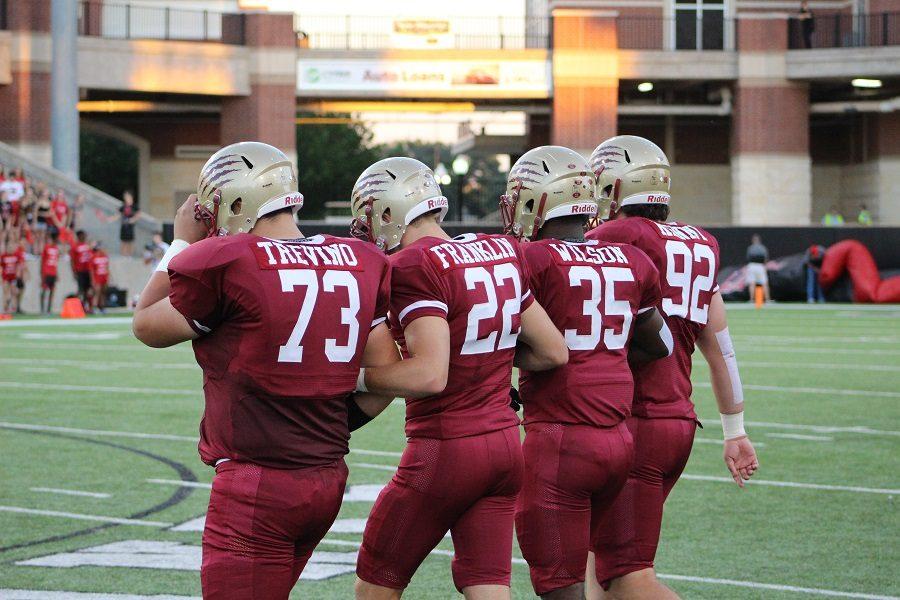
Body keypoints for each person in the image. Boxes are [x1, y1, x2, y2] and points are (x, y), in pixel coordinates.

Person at [132, 141, 404, 599]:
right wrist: (327, 423)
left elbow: (146, 324)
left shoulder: (228, 260)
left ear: (237, 204)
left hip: (256, 485)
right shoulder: (360, 260)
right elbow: (385, 376)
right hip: (327, 477)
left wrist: (180, 241)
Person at [349, 157, 568, 600]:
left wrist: (356, 378)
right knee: (486, 586)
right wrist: (487, 361)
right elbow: (552, 351)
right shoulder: (500, 250)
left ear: (388, 212)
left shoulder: (413, 264)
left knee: (376, 584)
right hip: (506, 446)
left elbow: (429, 375)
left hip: (446, 447)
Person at [584, 136, 759, 600]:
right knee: (598, 560)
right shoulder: (700, 243)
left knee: (629, 576)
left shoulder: (618, 236)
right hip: (676, 419)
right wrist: (735, 429)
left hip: (635, 421)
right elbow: (720, 347)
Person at [499, 146, 672, 600]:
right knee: (602, 577)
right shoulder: (631, 261)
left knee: (562, 586)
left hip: (561, 438)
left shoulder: (530, 259)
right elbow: (660, 344)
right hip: (618, 441)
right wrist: (604, 353)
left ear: (536, 201)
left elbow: (492, 337)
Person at [101, 191, 141, 255]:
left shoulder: (135, 206)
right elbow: (117, 216)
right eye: (125, 197)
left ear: (131, 197)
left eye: (127, 196)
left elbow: (138, 215)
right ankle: (123, 256)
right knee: (123, 242)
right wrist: (108, 219)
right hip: (124, 227)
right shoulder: (123, 206)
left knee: (130, 242)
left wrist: (132, 220)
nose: (126, 198)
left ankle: (130, 256)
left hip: (130, 227)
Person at [70, 230, 94, 312]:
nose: (85, 237)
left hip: (88, 271)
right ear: (79, 236)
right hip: (80, 271)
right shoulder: (75, 247)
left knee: (89, 289)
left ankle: (89, 307)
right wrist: (74, 272)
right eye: (83, 235)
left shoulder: (87, 246)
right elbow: (72, 260)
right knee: (81, 290)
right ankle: (80, 307)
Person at [745, 233, 770, 303]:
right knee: (764, 283)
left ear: (753, 240)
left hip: (752, 265)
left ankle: (751, 299)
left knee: (752, 283)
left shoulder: (750, 248)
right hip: (760, 266)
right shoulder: (762, 248)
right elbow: (766, 258)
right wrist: (764, 266)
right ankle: (767, 300)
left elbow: (748, 258)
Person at [40, 230, 61, 314]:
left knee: (52, 291)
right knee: (44, 291)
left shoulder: (56, 248)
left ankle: (49, 310)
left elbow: (56, 262)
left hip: (53, 273)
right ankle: (42, 310)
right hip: (46, 272)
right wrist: (42, 273)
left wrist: (57, 273)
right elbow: (42, 262)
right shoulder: (46, 247)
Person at [0, 239, 23, 314]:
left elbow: (19, 266)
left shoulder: (16, 256)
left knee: (15, 292)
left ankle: (14, 308)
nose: (10, 248)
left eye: (12, 246)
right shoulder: (3, 256)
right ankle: (5, 309)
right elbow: (1, 267)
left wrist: (18, 274)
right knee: (6, 294)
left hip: (13, 278)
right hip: (6, 278)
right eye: (9, 246)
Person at [89, 241, 110, 313]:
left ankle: (102, 306)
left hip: (104, 276)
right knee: (97, 293)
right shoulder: (93, 257)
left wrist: (108, 277)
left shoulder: (105, 256)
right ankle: (94, 307)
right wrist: (92, 280)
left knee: (103, 293)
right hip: (97, 277)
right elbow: (91, 270)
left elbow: (107, 268)